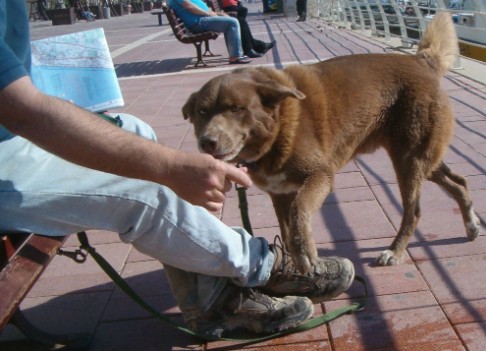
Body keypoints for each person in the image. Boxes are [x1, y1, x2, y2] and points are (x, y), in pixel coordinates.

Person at [0, 1, 355, 338]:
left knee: (136, 131)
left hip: (14, 138)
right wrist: (170, 166)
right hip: (9, 148)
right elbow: (21, 109)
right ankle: (264, 267)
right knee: (146, 193)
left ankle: (207, 299)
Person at [167, 0, 251, 64]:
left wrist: (214, 13)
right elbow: (189, 7)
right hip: (197, 22)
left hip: (200, 19)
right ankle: (235, 56)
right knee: (232, 22)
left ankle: (235, 53)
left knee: (230, 20)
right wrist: (208, 13)